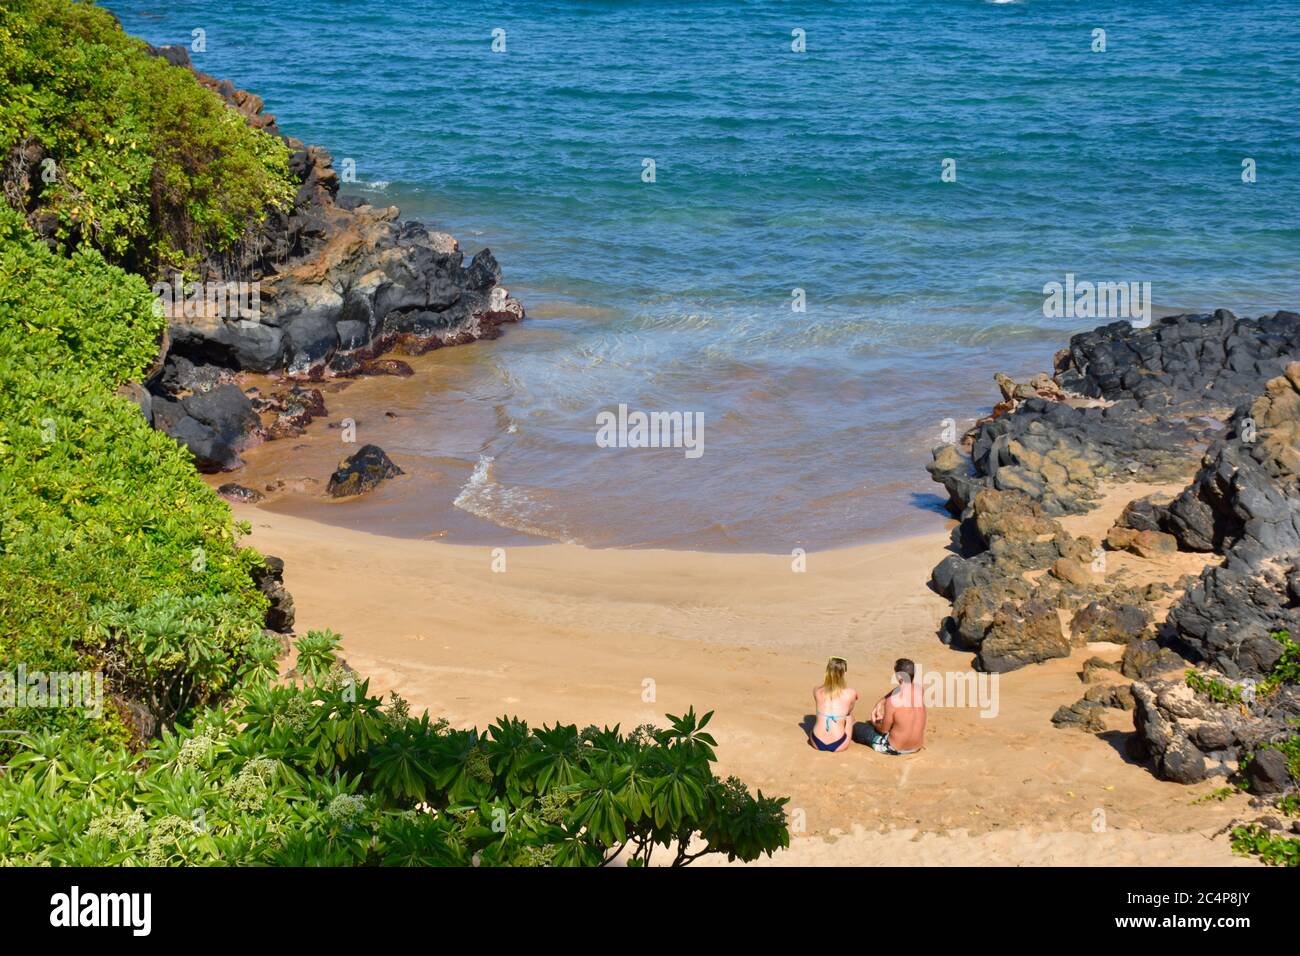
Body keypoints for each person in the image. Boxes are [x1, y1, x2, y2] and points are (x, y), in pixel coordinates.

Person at [854, 657, 926, 755]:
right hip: (916, 747)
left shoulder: (892, 701)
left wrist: (874, 722)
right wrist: (882, 701)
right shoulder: (919, 690)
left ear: (899, 677)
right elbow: (902, 688)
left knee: (857, 727)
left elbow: (883, 730)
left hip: (894, 748)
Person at [810, 657, 857, 753]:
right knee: (849, 716)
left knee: (821, 716)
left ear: (827, 672)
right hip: (839, 743)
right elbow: (848, 712)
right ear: (844, 673)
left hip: (816, 741)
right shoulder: (851, 693)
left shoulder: (817, 690)